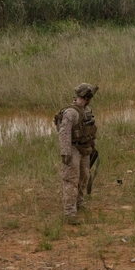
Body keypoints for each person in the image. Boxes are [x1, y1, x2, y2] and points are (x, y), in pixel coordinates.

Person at [57, 83, 98, 224]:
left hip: (84, 148)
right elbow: (64, 133)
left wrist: (92, 145)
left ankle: (79, 203)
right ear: (87, 96)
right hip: (73, 149)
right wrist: (65, 152)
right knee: (71, 180)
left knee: (84, 176)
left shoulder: (87, 110)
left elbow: (91, 129)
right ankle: (70, 213)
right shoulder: (71, 113)